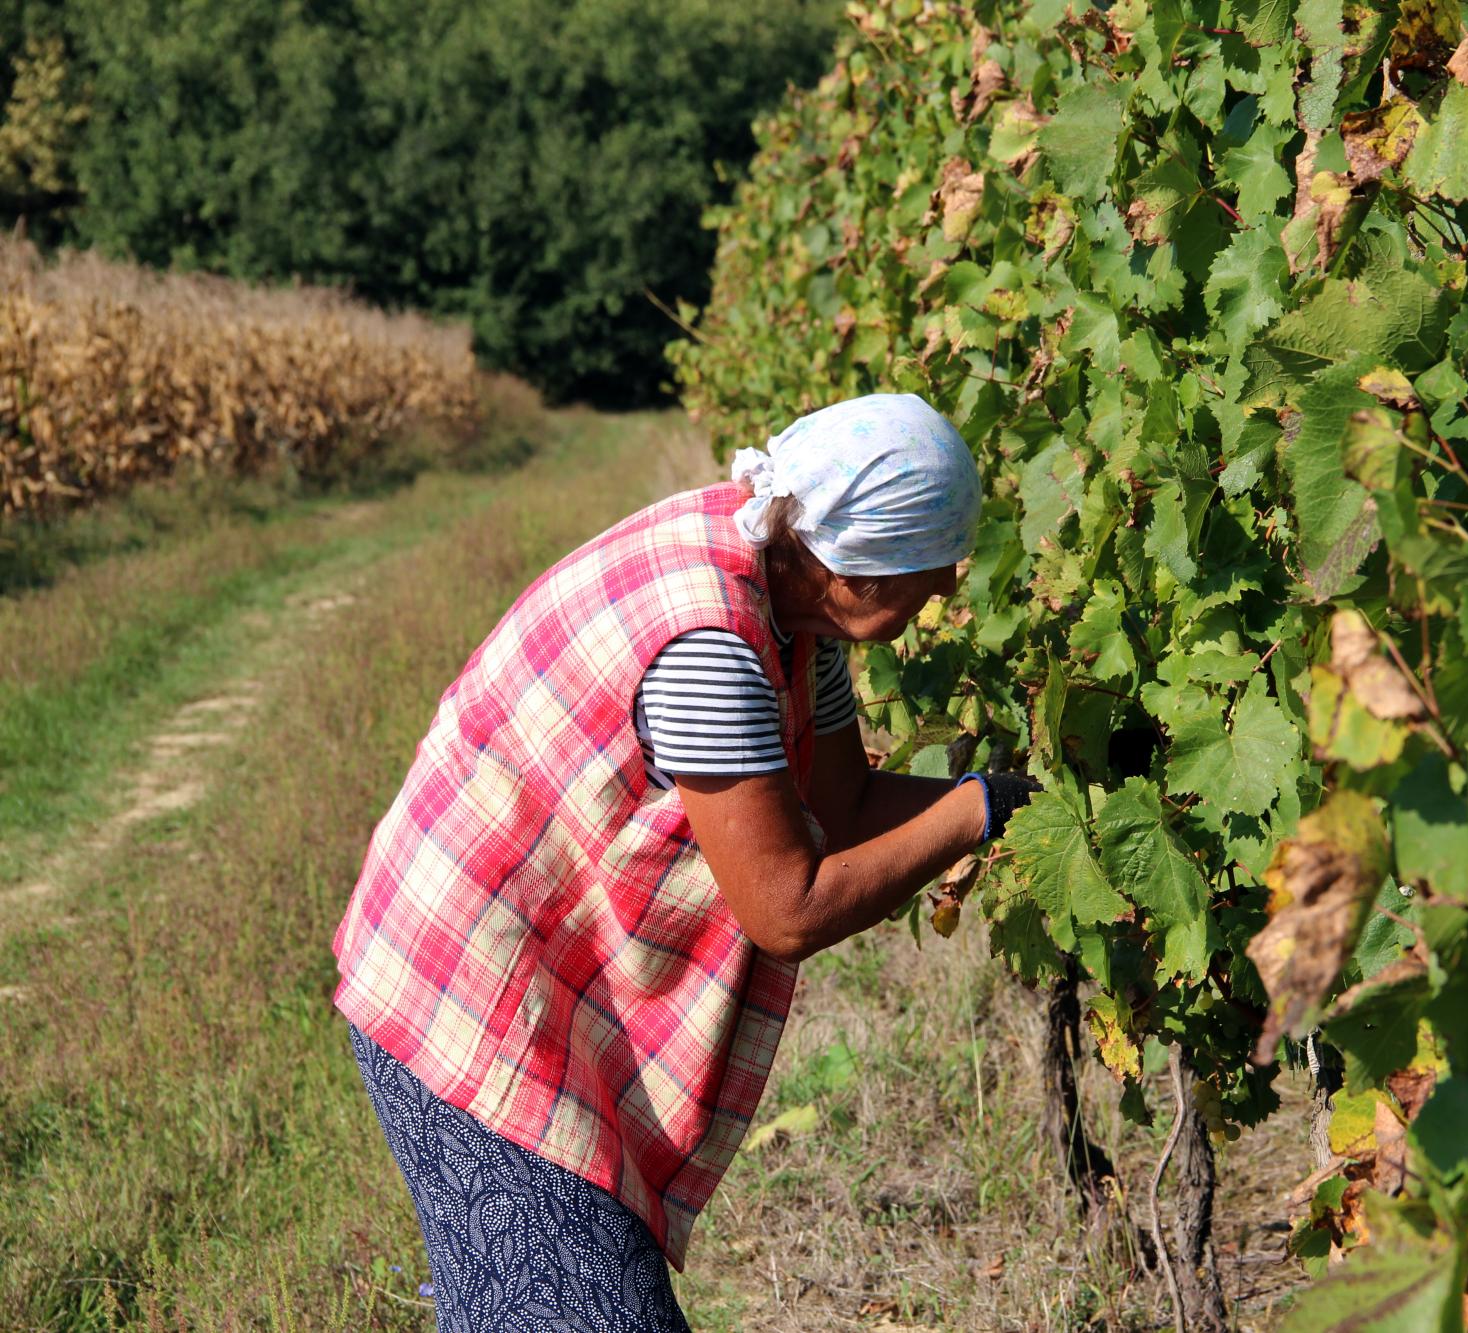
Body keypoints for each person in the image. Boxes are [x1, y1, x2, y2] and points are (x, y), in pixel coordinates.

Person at [330, 393, 1037, 1332]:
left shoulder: (795, 612)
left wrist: (1021, 805)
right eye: (931, 563)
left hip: (526, 989)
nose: (949, 586)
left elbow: (845, 809)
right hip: (466, 998)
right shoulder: (710, 649)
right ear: (858, 566)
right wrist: (971, 813)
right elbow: (786, 906)